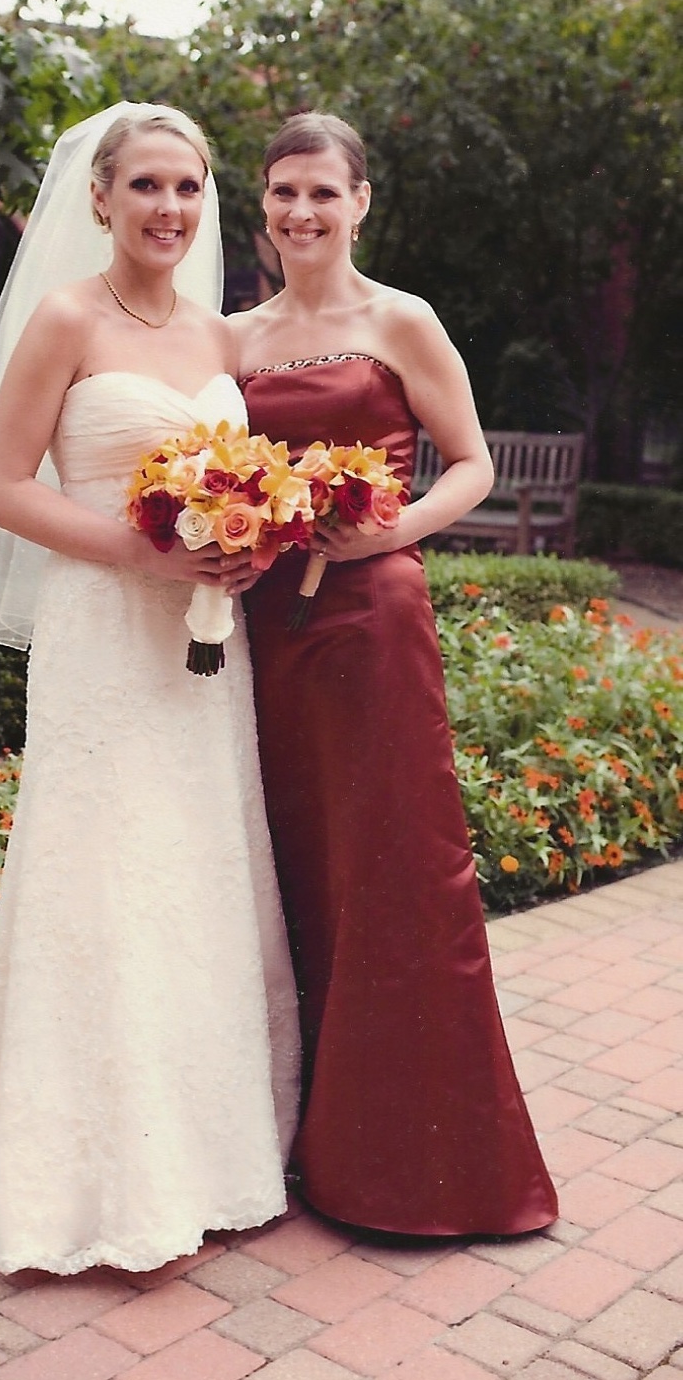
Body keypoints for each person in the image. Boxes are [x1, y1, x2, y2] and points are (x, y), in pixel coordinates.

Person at [0, 102, 300, 1276]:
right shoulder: (66, 317)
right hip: (102, 635)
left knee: (197, 863)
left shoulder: (221, 338)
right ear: (101, 197)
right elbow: (1, 485)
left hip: (203, 646)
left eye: (188, 186)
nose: (170, 207)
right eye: (148, 184)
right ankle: (83, 1170)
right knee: (101, 867)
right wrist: (145, 552)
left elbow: (248, 477)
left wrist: (246, 541)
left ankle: (207, 1153)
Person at [231, 110, 558, 1238]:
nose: (303, 212)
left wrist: (392, 529)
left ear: (361, 202)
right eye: (285, 191)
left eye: (324, 192)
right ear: (262, 203)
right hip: (262, 624)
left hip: (372, 619)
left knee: (395, 869)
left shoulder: (399, 319)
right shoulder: (231, 336)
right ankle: (302, 1136)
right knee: (292, 859)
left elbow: (471, 461)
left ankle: (419, 1170)